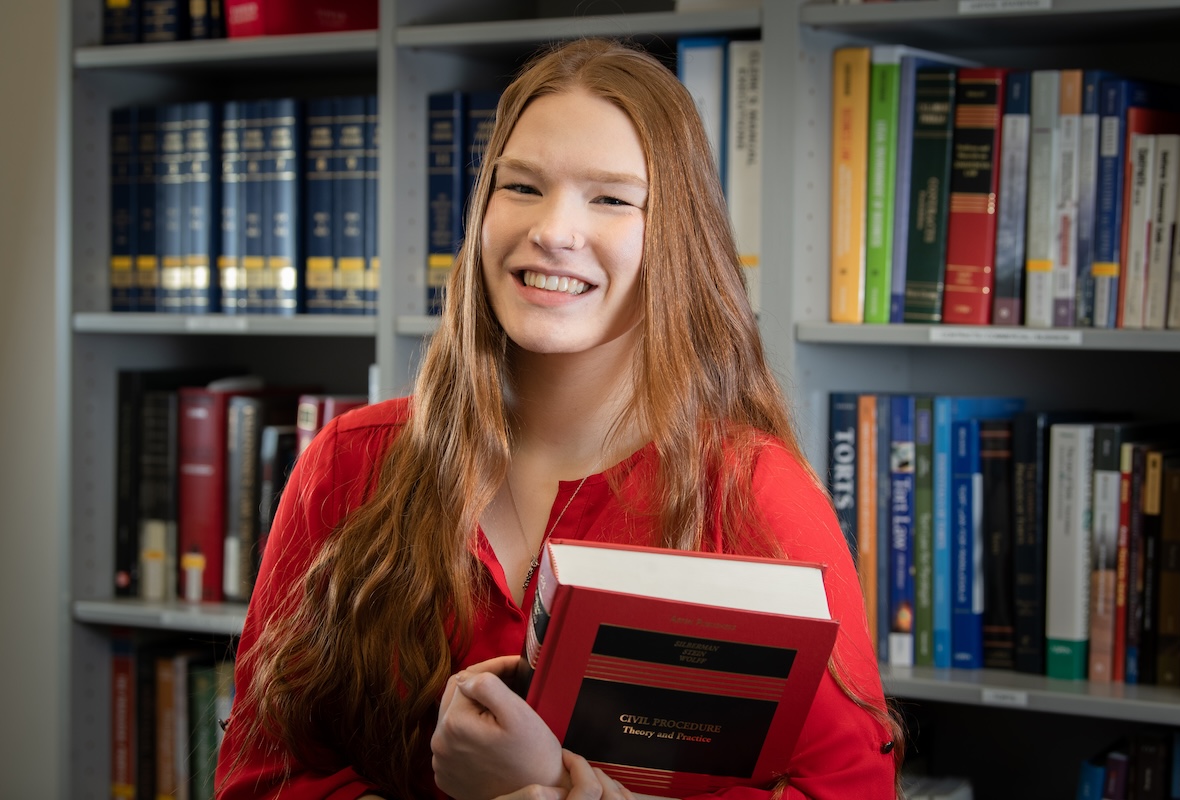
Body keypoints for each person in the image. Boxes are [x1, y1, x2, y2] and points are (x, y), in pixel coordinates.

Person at [215, 36, 903, 800]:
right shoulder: (348, 463)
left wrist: (557, 791)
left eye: (610, 198)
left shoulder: (755, 497)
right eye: (522, 187)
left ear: (674, 237)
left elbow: (846, 792)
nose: (552, 230)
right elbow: (259, 773)